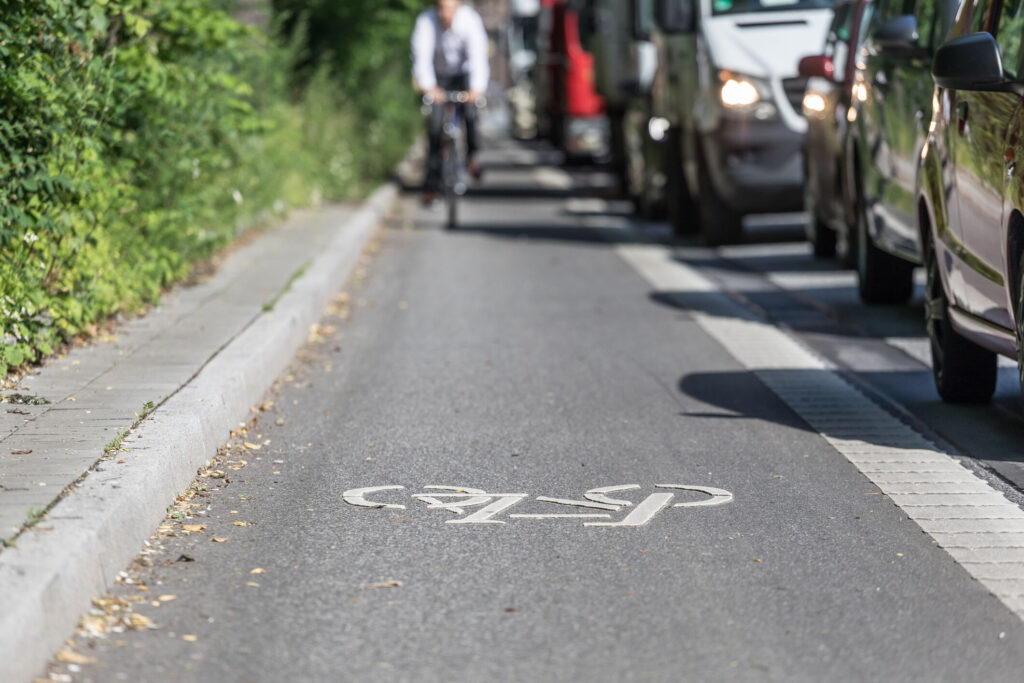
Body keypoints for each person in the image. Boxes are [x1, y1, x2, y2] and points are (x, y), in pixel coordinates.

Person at [412, 0, 490, 203]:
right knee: (435, 128)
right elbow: (422, 59)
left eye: (450, 9)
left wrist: (476, 89)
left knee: (471, 114)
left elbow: (478, 57)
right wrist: (430, 88)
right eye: (442, 9)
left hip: (464, 75)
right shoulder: (426, 22)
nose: (445, 15)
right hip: (438, 78)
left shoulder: (470, 20)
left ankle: (471, 157)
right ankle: (432, 185)